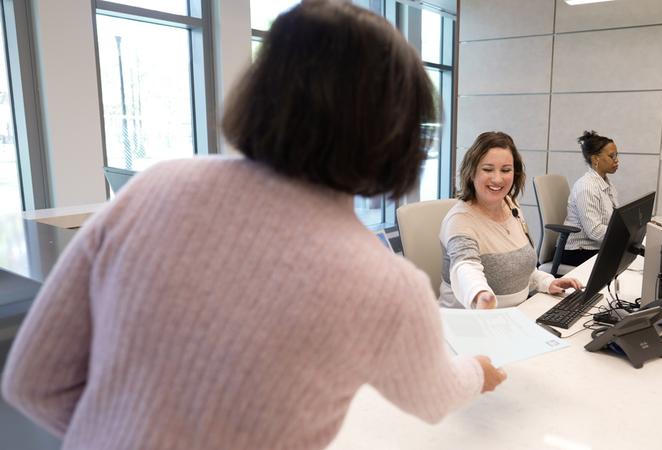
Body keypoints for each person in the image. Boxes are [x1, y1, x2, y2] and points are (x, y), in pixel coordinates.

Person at [1, 2, 506, 449]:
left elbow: (31, 381)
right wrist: (478, 372)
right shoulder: (386, 285)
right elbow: (433, 396)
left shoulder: (154, 186)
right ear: (394, 132)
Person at [439, 131, 582, 309]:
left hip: (516, 315)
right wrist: (480, 295)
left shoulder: (510, 205)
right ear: (471, 172)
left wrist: (546, 283)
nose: (498, 179)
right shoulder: (460, 220)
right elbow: (465, 267)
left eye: (506, 170)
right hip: (469, 323)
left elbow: (521, 269)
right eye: (487, 169)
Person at [562, 130, 621, 266]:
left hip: (597, 247)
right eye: (612, 156)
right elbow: (594, 232)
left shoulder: (607, 184)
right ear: (595, 159)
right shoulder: (586, 187)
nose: (617, 160)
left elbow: (613, 220)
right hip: (578, 252)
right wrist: (624, 233)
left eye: (616, 155)